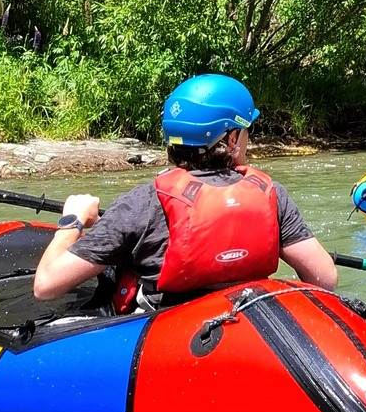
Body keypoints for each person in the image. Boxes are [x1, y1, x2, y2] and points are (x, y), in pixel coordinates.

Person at [32, 74, 338, 309]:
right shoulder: (270, 194)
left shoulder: (141, 203)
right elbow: (324, 279)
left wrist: (72, 221)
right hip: (247, 326)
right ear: (232, 138)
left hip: (170, 337)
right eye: (246, 132)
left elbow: (46, 285)